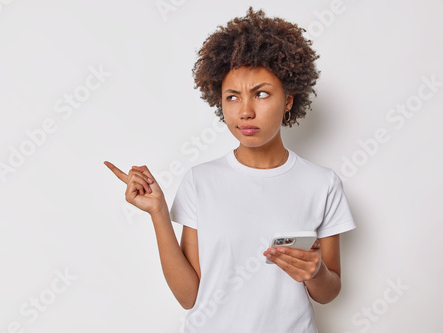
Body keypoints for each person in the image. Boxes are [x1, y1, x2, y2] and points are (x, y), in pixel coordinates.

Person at [104, 6, 356, 332]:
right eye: (233, 97)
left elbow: (329, 292)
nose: (245, 111)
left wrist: (316, 272)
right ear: (219, 100)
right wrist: (158, 213)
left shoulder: (322, 184)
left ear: (289, 99)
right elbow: (189, 297)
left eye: (261, 94)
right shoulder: (200, 181)